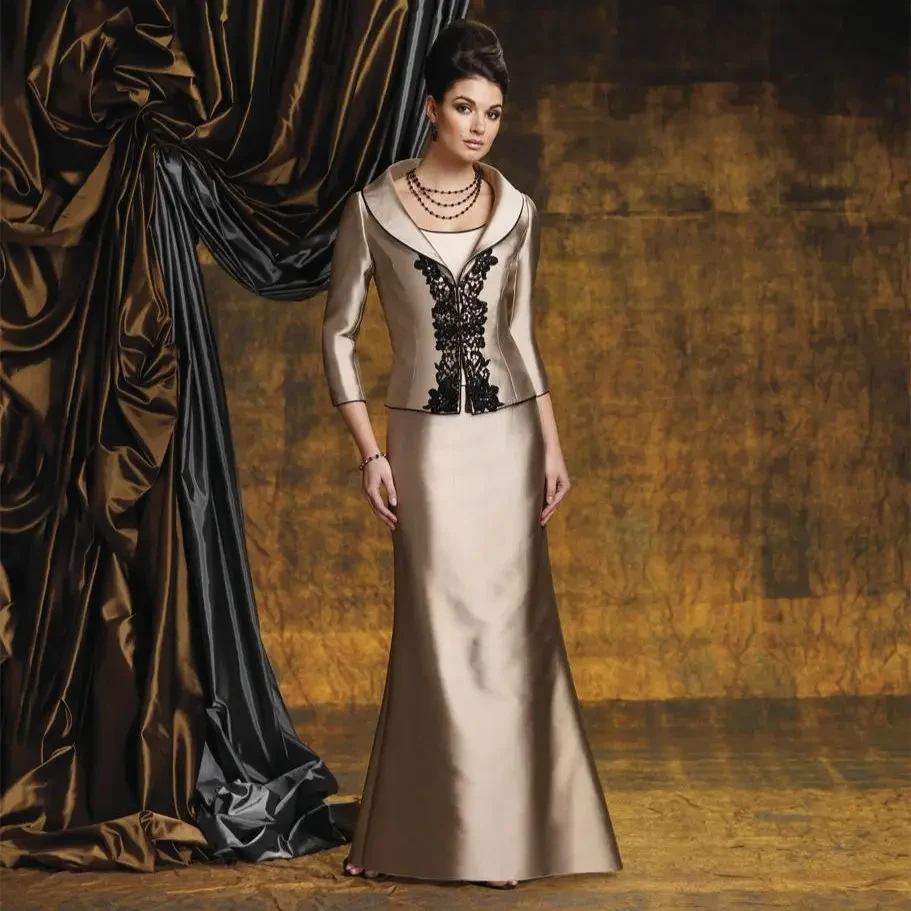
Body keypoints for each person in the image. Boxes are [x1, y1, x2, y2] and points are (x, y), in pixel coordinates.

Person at [321, 19, 623, 890]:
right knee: (436, 633)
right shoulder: (371, 210)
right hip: (422, 442)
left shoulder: (517, 210)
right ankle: (418, 832)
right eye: (464, 107)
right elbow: (337, 336)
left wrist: (552, 447)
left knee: (511, 633)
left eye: (492, 112)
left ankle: (510, 839)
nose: (480, 126)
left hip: (508, 438)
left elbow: (520, 337)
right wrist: (369, 455)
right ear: (430, 108)